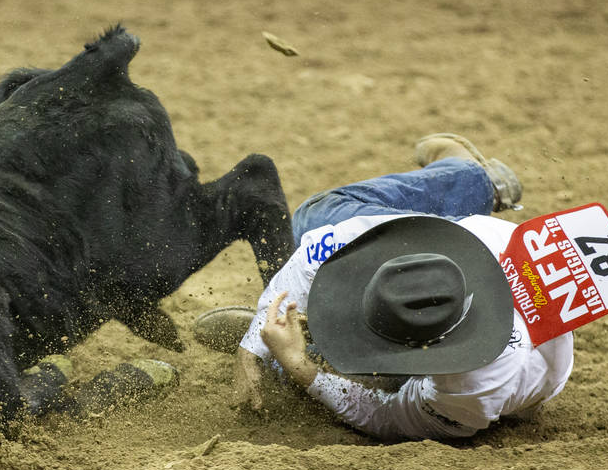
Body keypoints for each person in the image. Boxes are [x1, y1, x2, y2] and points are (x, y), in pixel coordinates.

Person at [194, 133, 574, 440]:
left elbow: (383, 415)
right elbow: (323, 246)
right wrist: (252, 344)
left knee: (353, 379)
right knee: (317, 219)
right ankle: (472, 177)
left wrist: (299, 367)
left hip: (485, 384)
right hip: (479, 264)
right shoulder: (467, 245)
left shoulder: (469, 387)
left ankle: (293, 349)